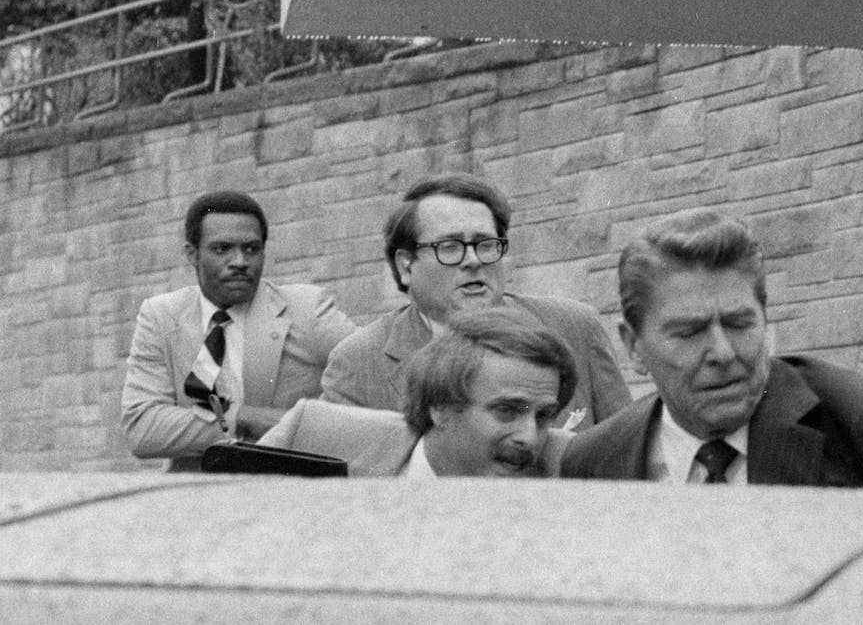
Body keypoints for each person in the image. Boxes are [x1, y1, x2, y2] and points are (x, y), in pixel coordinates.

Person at [560, 208, 863, 487]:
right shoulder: (592, 463)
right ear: (633, 346)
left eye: (739, 324)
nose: (723, 353)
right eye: (690, 332)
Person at [321, 173, 630, 429]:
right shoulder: (358, 364)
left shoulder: (575, 327)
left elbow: (627, 453)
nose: (472, 260)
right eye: (450, 246)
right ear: (405, 266)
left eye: (485, 244)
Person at [120, 191, 355, 471]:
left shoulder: (306, 311)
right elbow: (143, 427)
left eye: (252, 249)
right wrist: (243, 416)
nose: (240, 261)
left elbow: (376, 367)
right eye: (222, 249)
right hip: (198, 498)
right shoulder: (161, 317)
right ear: (192, 253)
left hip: (290, 494)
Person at [260, 311, 575, 477]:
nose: (530, 438)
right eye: (507, 410)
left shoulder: (573, 466)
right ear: (440, 407)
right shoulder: (315, 436)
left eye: (544, 416)